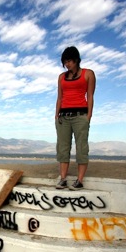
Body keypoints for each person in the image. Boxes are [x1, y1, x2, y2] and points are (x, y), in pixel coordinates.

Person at [55, 46, 95, 190]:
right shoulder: (61, 77)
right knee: (63, 148)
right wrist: (56, 115)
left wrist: (88, 116)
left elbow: (90, 96)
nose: (67, 64)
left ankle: (79, 180)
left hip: (80, 116)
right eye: (65, 61)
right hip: (63, 117)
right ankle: (63, 179)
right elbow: (60, 97)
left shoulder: (88, 74)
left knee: (81, 148)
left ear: (76, 59)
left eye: (69, 61)